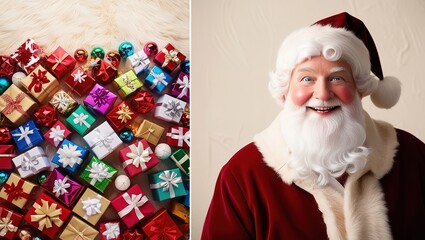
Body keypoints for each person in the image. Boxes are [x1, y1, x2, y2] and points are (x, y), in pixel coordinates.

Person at [201, 12, 425, 240]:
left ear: (360, 89)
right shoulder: (243, 176)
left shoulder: (413, 155)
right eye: (307, 79)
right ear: (285, 91)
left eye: (337, 78)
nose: (323, 94)